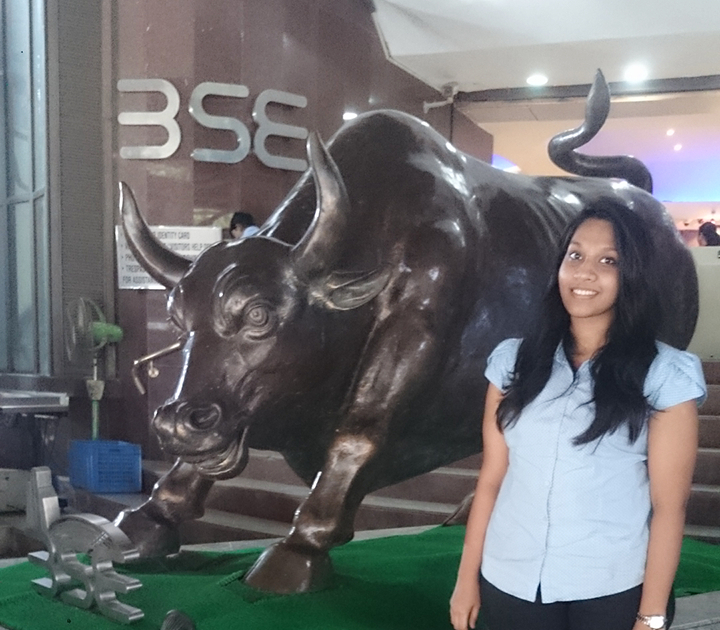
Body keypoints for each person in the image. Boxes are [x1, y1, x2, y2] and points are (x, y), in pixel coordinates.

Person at [450, 201, 707, 630]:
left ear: (634, 275)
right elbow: (493, 478)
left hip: (611, 589)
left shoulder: (663, 375)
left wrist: (651, 617)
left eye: (608, 261)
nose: (585, 272)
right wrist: (465, 580)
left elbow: (668, 507)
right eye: (575, 255)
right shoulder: (514, 362)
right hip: (510, 580)